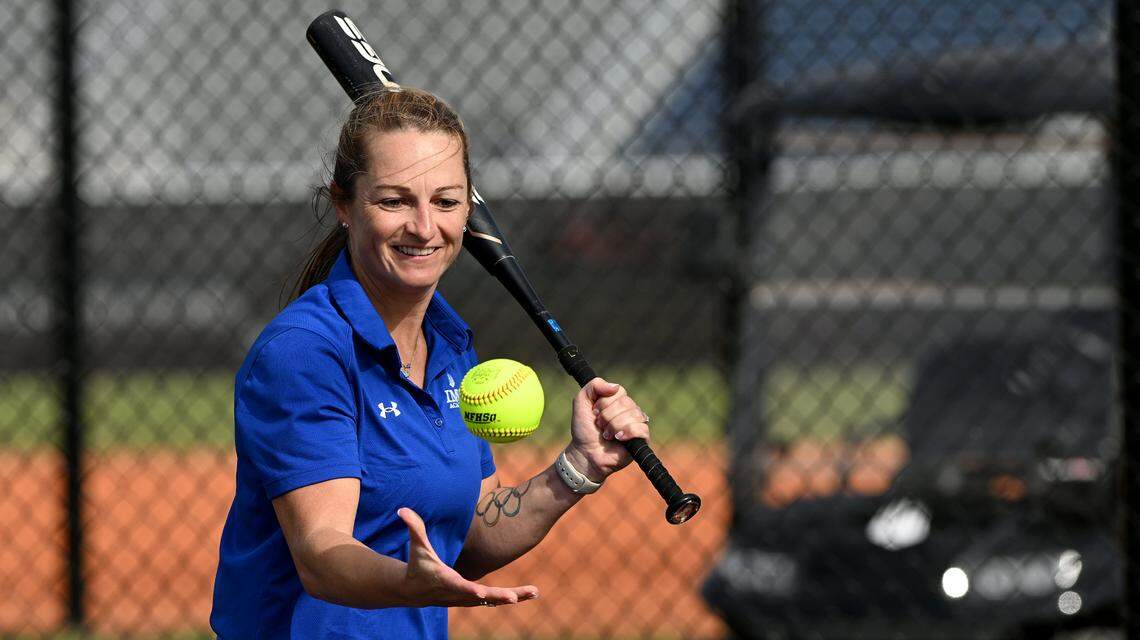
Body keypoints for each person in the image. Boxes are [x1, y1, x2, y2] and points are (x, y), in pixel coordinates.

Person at [209, 86, 651, 639]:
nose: (423, 227)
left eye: (445, 201)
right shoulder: (305, 352)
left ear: (469, 209)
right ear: (343, 204)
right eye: (394, 201)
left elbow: (469, 537)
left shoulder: (449, 343)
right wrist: (408, 583)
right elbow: (322, 553)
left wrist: (578, 467)